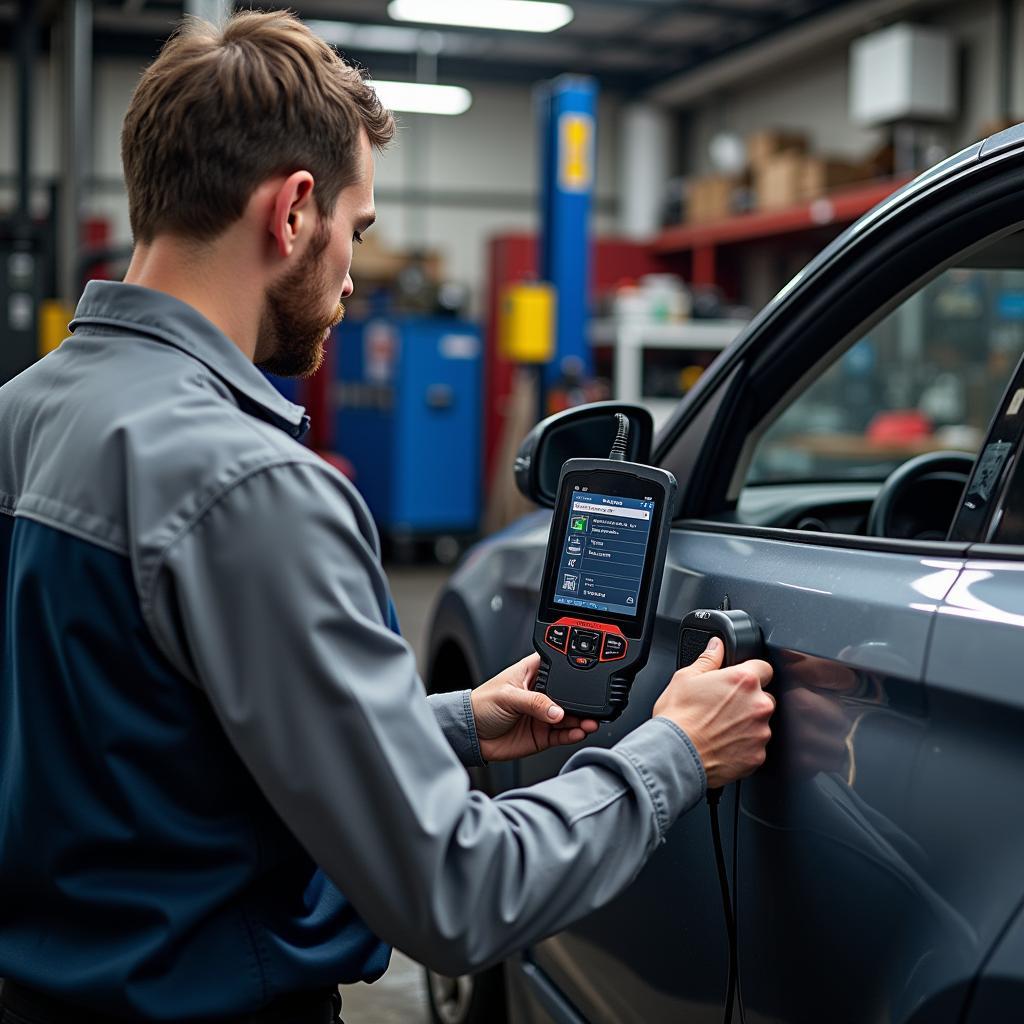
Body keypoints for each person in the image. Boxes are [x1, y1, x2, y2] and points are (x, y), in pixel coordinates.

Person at [0, 12, 774, 1023]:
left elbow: (147, 736)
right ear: (293, 211)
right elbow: (455, 890)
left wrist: (443, 725)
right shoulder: (254, 487)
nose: (353, 279)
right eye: (355, 233)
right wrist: (673, 750)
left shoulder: (24, 411)